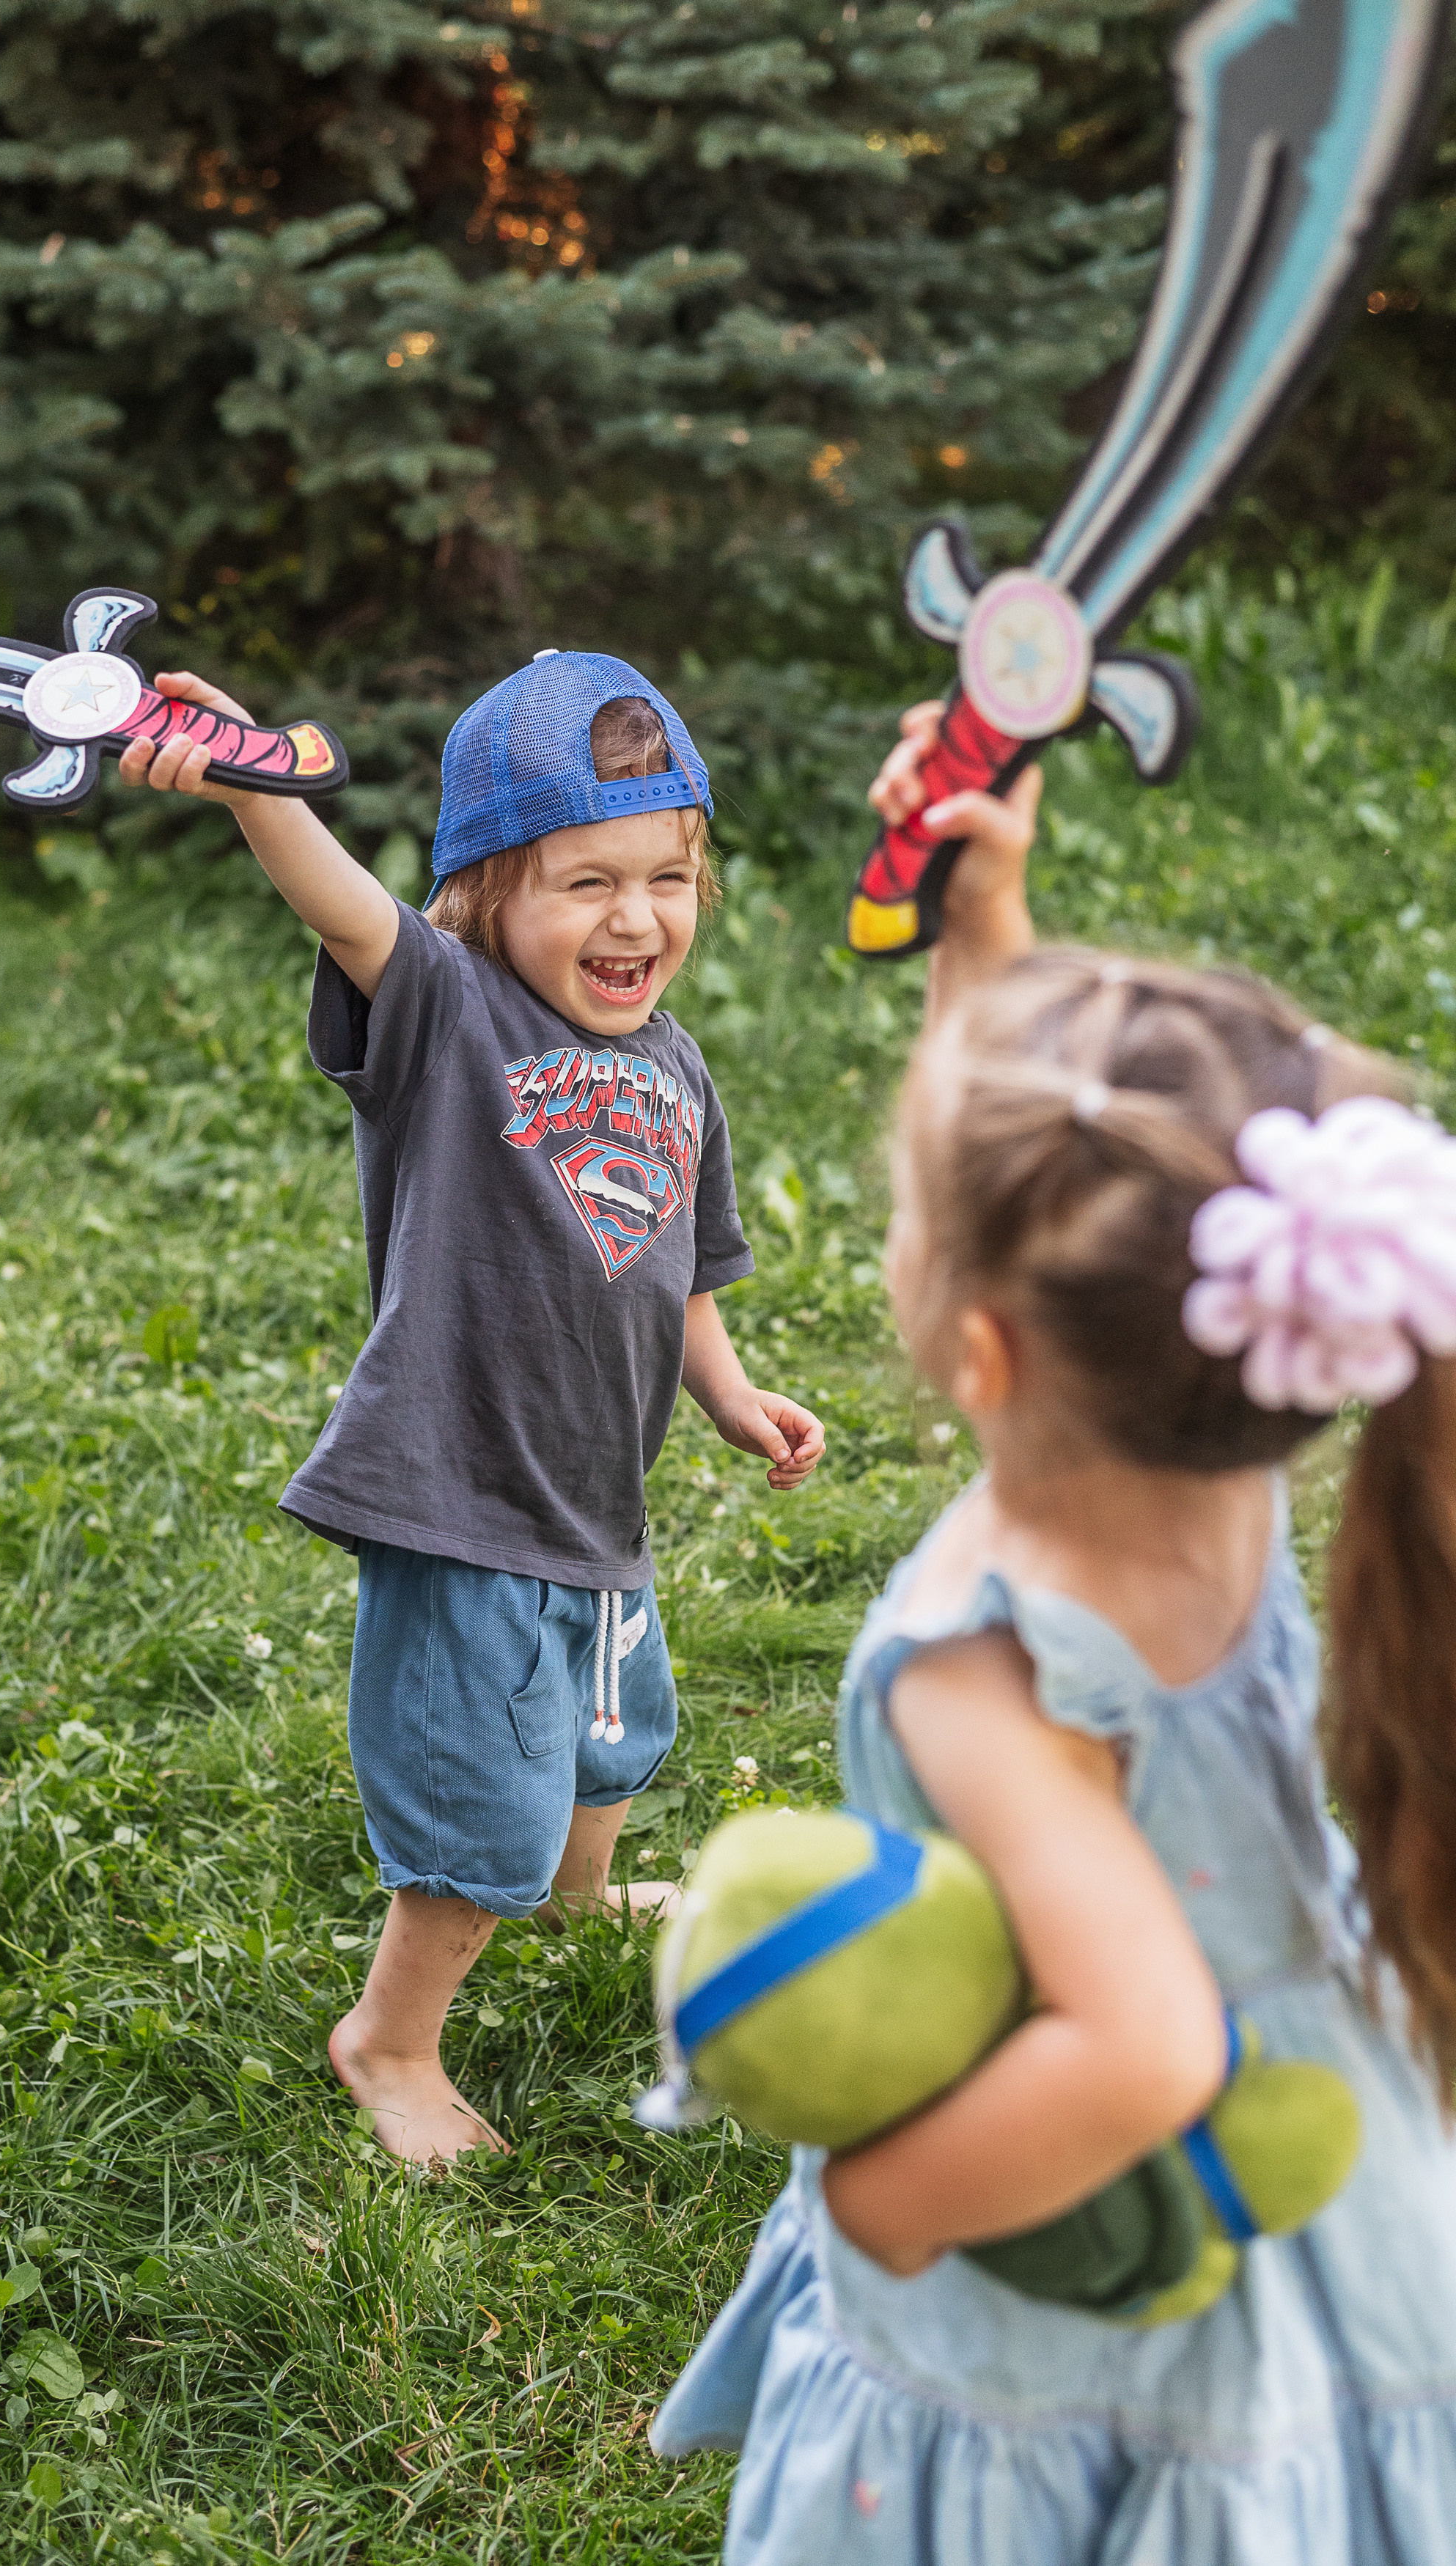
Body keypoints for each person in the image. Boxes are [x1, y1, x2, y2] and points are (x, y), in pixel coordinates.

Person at [652, 705, 1456, 2559]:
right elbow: (1030, 1170)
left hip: (1116, 2260)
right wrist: (979, 913)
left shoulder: (986, 1668)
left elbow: (1144, 2043)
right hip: (1327, 2142)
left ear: (986, 1350)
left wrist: (888, 2206)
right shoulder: (1217, 1460)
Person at [118, 650, 824, 2165]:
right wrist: (258, 782)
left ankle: (576, 1889)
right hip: (461, 1491)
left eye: (667, 877)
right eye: (585, 882)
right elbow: (338, 901)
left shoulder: (676, 1065)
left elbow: (684, 1269)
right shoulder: (448, 1012)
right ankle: (390, 2040)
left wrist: (731, 1392)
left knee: (612, 1737)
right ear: (485, 895)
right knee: (474, 1818)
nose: (635, 919)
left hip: (597, 1495)